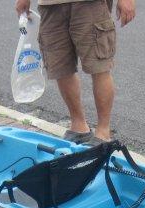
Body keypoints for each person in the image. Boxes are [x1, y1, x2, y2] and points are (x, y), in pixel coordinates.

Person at [15, 0, 135, 144]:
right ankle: (79, 127)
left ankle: (103, 132)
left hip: (90, 4)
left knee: (99, 65)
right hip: (50, 6)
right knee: (60, 68)